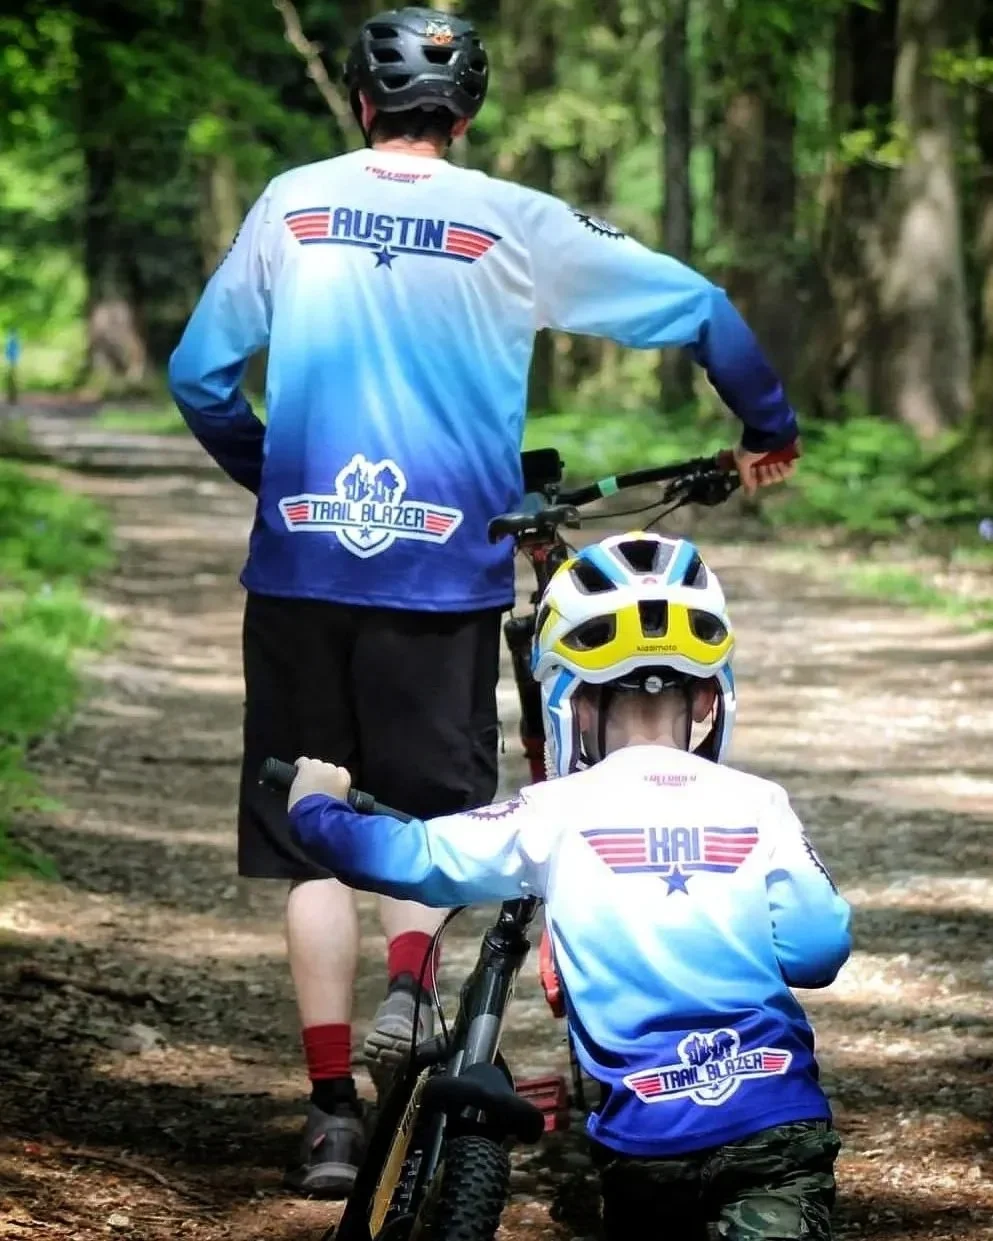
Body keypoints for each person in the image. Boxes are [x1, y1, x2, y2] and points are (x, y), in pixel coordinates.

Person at [167, 4, 801, 1198]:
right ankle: (412, 997)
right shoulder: (516, 222)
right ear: (466, 113)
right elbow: (705, 306)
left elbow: (198, 374)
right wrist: (768, 423)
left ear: (362, 99)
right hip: (443, 572)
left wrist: (278, 476)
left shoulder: (292, 203)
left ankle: (328, 1116)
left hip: (301, 566)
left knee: (310, 833)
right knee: (428, 817)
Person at [286, 531, 852, 1241]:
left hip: (647, 1136)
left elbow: (414, 858)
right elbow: (817, 948)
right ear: (708, 699)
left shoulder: (554, 812)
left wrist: (316, 805)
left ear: (574, 705)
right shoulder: (760, 802)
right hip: (777, 1123)